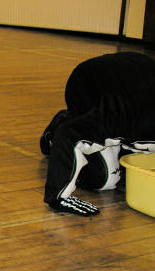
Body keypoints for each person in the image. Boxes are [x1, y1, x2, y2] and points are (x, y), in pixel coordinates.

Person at [40, 52, 155, 216]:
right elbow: (69, 134)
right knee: (105, 178)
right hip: (88, 82)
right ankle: (59, 126)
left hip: (131, 76)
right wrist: (59, 196)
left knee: (136, 152)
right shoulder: (122, 115)